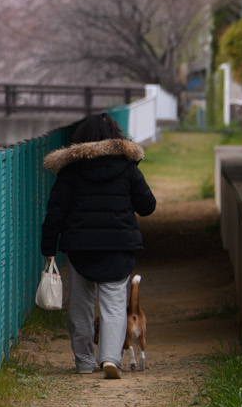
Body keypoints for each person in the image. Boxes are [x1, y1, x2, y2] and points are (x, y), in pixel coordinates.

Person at [39, 112, 156, 379]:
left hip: (80, 248)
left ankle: (83, 361)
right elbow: (148, 206)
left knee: (81, 305)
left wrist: (48, 248)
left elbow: (55, 212)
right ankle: (110, 359)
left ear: (80, 140)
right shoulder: (127, 168)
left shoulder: (70, 171)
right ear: (117, 137)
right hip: (118, 247)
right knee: (114, 304)